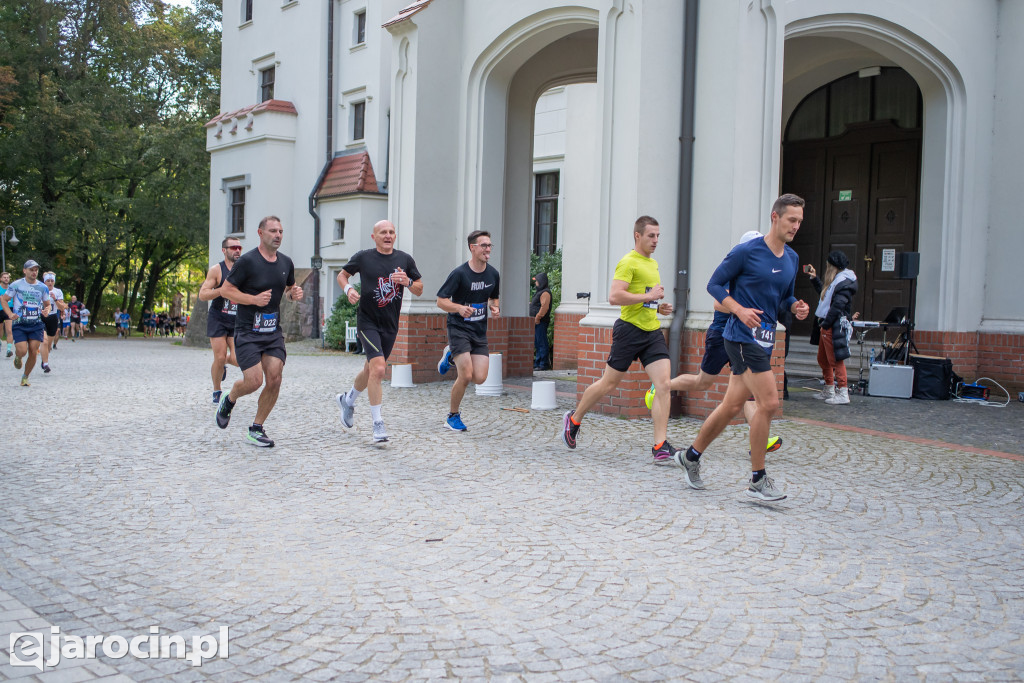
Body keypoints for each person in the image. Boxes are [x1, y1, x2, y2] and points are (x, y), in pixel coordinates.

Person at [676, 194, 810, 502]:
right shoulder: (746, 252)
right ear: (775, 217)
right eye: (792, 220)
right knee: (769, 403)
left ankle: (691, 457)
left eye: (800, 221)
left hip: (764, 339)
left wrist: (796, 307)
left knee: (732, 406)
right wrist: (738, 309)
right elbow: (714, 284)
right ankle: (758, 479)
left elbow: (784, 297)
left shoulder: (791, 258)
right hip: (739, 337)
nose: (796, 227)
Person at [646, 231, 782, 457]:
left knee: (746, 390)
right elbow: (719, 304)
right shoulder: (737, 267)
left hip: (744, 338)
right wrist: (743, 310)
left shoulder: (758, 272)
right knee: (703, 382)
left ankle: (761, 439)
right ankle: (662, 386)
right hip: (721, 335)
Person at [561, 216, 677, 461]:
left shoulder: (652, 264)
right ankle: (574, 419)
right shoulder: (628, 262)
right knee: (609, 384)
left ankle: (660, 446)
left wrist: (658, 307)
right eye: (651, 236)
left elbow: (645, 298)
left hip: (652, 331)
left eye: (658, 236)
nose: (656, 240)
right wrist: (648, 298)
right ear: (638, 236)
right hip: (629, 331)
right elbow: (615, 297)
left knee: (664, 385)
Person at [215, 216, 304, 447]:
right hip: (247, 331)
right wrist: (253, 299)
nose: (278, 235)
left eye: (281, 231)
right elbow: (226, 290)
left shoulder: (286, 262)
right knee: (253, 381)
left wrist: (293, 294)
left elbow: (288, 289)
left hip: (272, 331)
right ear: (260, 233)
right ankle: (230, 397)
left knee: (274, 378)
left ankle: (256, 428)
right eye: (273, 231)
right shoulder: (247, 262)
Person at [335, 220, 423, 442]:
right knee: (380, 369)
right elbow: (341, 275)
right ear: (374, 237)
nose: (388, 235)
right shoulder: (364, 257)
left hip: (390, 324)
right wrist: (348, 290)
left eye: (391, 232)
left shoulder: (405, 259)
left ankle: (348, 400)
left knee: (370, 369)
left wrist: (408, 281)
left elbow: (420, 289)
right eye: (383, 232)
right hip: (368, 322)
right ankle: (377, 424)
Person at [435, 230, 501, 431]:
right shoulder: (459, 274)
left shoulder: (493, 274)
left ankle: (450, 355)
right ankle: (452, 416)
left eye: (489, 245)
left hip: (479, 331)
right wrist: (459, 308)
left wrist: (494, 307)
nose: (488, 249)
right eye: (483, 245)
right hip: (459, 328)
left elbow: (494, 297)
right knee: (465, 375)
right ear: (473, 248)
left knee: (479, 377)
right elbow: (440, 301)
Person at [806, 251, 858, 405]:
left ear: (833, 266)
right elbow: (825, 296)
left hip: (832, 325)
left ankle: (843, 392)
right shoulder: (837, 281)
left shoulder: (843, 282)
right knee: (823, 359)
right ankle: (829, 389)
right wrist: (814, 278)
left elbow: (837, 305)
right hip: (827, 324)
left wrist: (826, 324)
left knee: (836, 359)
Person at [199, 237, 242, 404]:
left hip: (236, 320)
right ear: (224, 250)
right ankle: (217, 390)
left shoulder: (244, 269)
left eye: (239, 247)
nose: (237, 250)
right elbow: (203, 294)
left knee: (239, 360)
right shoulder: (217, 270)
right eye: (233, 247)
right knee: (219, 356)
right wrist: (221, 291)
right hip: (218, 318)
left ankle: (223, 363)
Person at [0, 260, 52, 386]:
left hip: (36, 324)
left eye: (36, 270)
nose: (34, 272)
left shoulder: (42, 287)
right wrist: (10, 314)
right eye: (31, 270)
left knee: (33, 351)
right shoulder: (16, 285)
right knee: (22, 351)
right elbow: (4, 299)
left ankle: (25, 377)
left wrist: (47, 310)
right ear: (25, 270)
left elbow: (48, 304)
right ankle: (18, 357)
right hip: (20, 323)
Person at [39, 272, 66, 373]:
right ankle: (46, 364)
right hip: (41, 317)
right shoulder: (40, 289)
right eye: (48, 281)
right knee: (44, 341)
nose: (50, 283)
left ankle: (43, 360)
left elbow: (62, 307)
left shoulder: (58, 291)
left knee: (49, 345)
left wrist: (55, 299)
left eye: (52, 281)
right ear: (44, 281)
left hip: (53, 318)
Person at [531, 272, 553, 371]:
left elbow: (544, 307)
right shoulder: (541, 292)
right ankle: (538, 363)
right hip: (537, 321)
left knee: (541, 342)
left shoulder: (545, 293)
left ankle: (543, 363)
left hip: (540, 321)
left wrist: (538, 317)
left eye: (537, 281)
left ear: (541, 282)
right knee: (537, 342)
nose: (536, 283)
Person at [0, 271, 14, 357]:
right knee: (0, 331)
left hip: (9, 310)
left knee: (9, 330)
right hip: (0, 310)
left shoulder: (12, 288)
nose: (6, 278)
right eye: (4, 277)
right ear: (1, 279)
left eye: (7, 277)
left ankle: (9, 350)